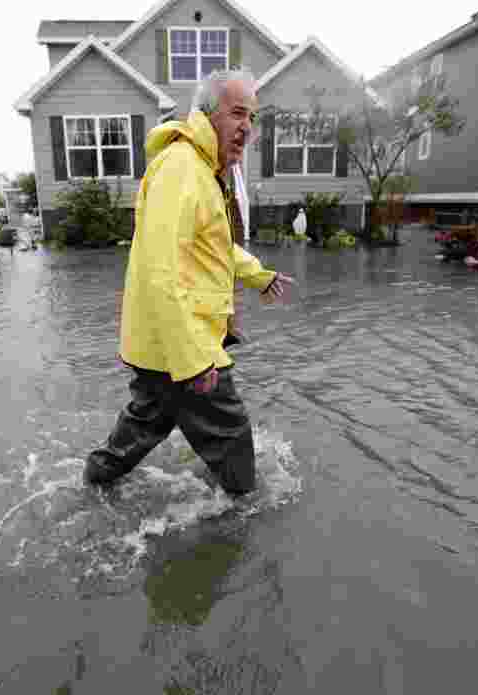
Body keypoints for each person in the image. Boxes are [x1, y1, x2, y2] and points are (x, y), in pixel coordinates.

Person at [84, 68, 294, 497]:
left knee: (148, 421)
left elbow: (213, 248)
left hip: (160, 347)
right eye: (238, 114)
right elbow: (163, 271)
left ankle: (94, 480)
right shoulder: (184, 169)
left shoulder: (200, 168)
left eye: (251, 117)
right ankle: (244, 520)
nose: (247, 128)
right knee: (231, 432)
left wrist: (258, 275)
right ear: (207, 113)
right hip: (181, 348)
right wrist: (195, 361)